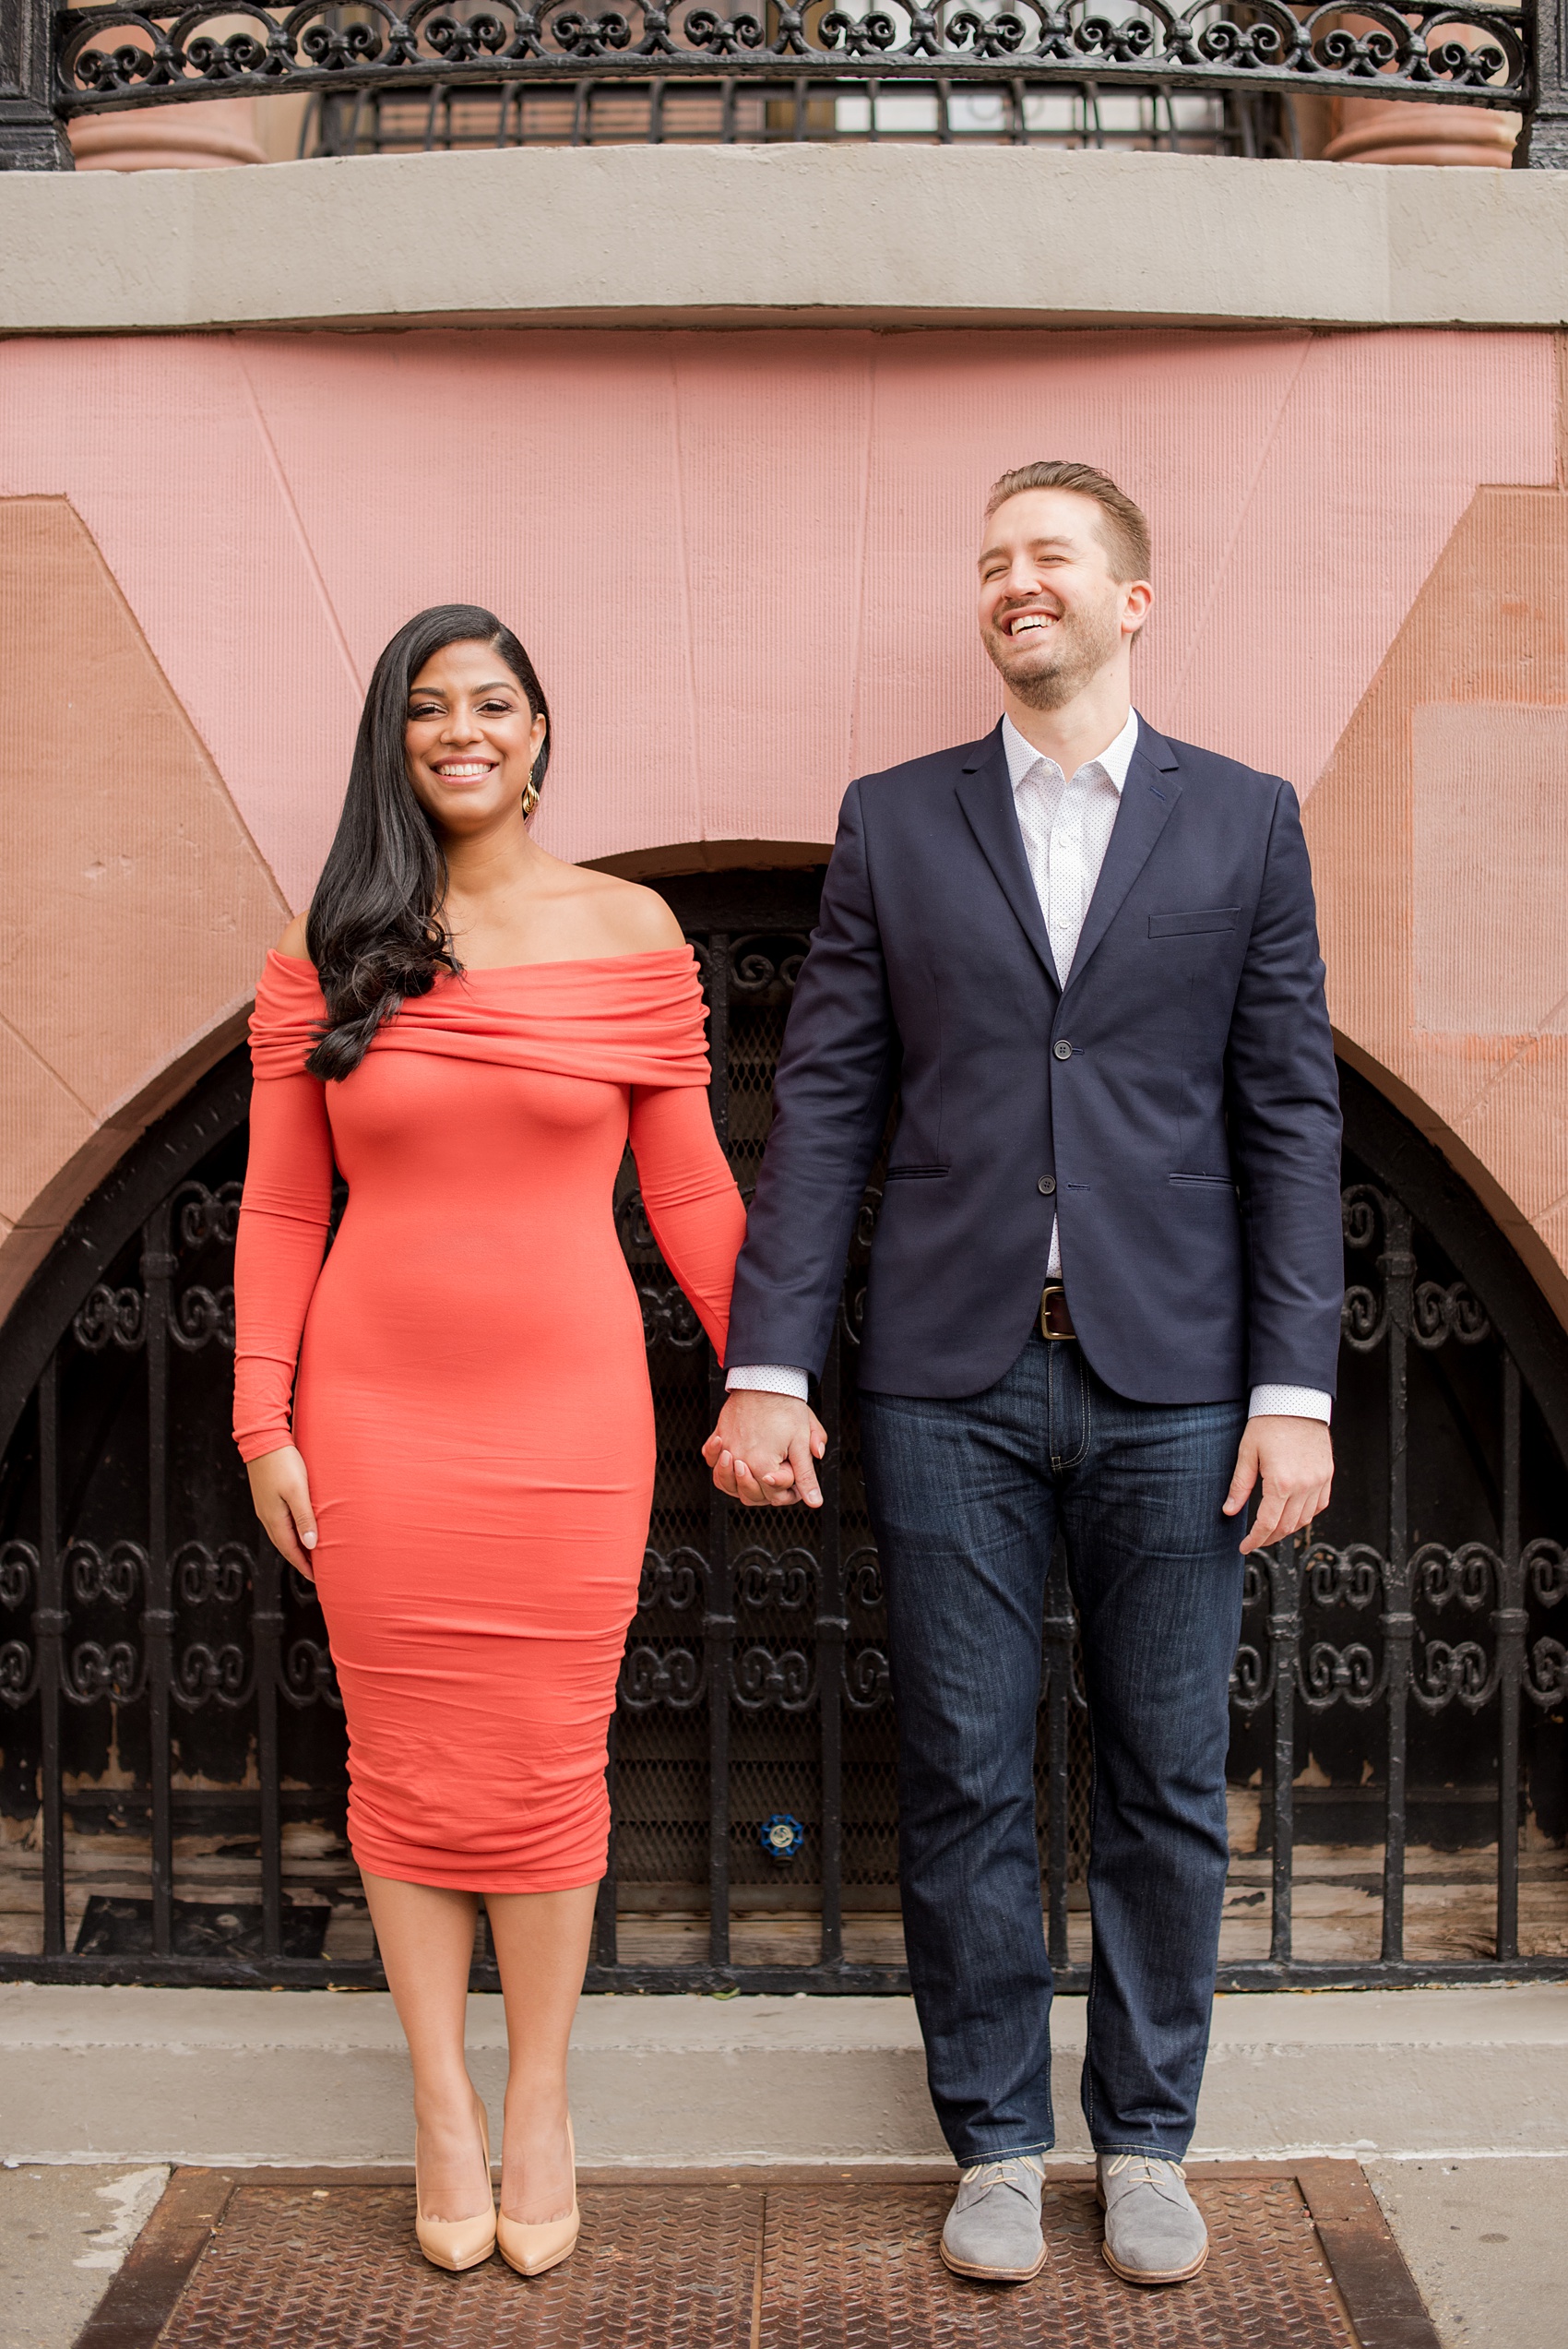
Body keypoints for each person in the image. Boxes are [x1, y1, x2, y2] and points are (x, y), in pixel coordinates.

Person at [704, 462, 1342, 2287]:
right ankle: (993, 2133)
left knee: (1159, 1770)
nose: (1014, 583)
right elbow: (822, 1101)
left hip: (1178, 1385)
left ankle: (1145, 2135)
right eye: (991, 562)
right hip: (943, 1384)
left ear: (1131, 598)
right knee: (968, 1769)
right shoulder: (896, 825)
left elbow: (1289, 1113)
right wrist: (769, 1358)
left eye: (1049, 556)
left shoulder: (1243, 822)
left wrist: (1289, 1386)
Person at [234, 605, 745, 2278]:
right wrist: (262, 1420)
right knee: (405, 1761)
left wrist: (770, 1370)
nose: (464, 730)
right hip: (374, 1419)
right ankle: (440, 2100)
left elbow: (686, 1188)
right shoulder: (330, 949)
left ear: (540, 729)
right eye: (429, 708)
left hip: (570, 1419)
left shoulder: (630, 926)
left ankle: (540, 2099)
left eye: (494, 703)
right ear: (396, 741)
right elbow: (284, 1203)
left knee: (545, 1762)